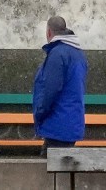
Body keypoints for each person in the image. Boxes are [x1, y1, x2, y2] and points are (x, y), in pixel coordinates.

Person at [32, 15, 88, 155]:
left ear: (49, 32)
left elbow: (50, 89)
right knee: (63, 170)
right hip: (72, 122)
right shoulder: (78, 54)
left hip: (57, 124)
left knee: (48, 171)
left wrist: (39, 113)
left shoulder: (57, 54)